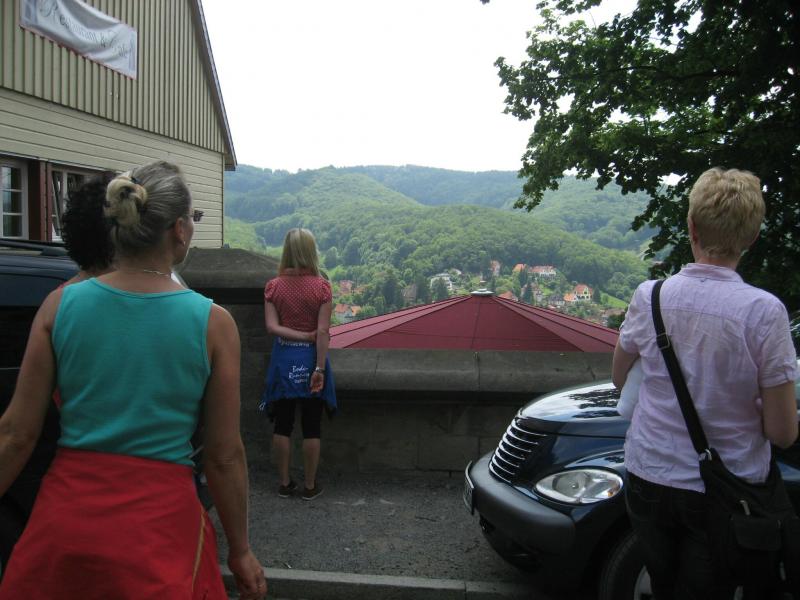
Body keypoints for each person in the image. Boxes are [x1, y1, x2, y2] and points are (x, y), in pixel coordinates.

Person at [0, 161, 266, 600]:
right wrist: (240, 551)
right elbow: (223, 456)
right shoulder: (213, 324)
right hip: (158, 530)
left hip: (67, 520)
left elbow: (15, 434)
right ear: (179, 230)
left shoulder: (60, 306)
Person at [612, 167, 798, 599]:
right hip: (726, 489)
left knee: (662, 582)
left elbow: (620, 376)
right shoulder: (764, 312)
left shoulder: (651, 296)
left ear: (691, 226)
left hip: (649, 474)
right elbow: (782, 433)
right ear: (752, 238)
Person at [0, 173, 117, 572]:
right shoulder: (181, 310)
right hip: (148, 498)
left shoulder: (59, 304)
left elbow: (17, 434)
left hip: (69, 493)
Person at [260, 228, 336, 501]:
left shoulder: (273, 287)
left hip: (283, 360)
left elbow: (272, 327)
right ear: (311, 251)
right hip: (311, 360)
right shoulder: (322, 287)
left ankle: (284, 483)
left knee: (283, 423)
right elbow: (323, 331)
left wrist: (298, 335)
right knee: (312, 424)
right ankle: (310, 485)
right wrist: (319, 368)